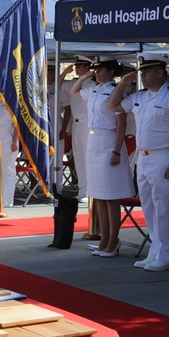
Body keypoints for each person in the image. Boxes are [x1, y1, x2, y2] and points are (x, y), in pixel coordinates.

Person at [110, 53, 169, 265]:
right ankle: (155, 251)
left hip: (164, 156)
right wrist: (123, 83)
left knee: (164, 209)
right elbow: (113, 105)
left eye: (147, 71)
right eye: (142, 71)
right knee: (149, 207)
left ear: (160, 73)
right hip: (143, 157)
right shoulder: (140, 96)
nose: (142, 74)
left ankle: (166, 256)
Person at [71, 56, 135, 255]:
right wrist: (85, 77)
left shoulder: (115, 90)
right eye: (96, 70)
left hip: (109, 142)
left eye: (101, 70)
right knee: (98, 194)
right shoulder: (94, 89)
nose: (97, 73)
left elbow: (121, 124)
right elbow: (74, 92)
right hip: (94, 142)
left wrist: (117, 150)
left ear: (111, 71)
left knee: (110, 197)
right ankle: (103, 240)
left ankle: (112, 240)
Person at [62, 56, 92, 204]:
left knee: (87, 159)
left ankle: (89, 191)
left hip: (88, 124)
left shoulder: (92, 84)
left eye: (79, 66)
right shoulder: (74, 83)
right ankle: (81, 191)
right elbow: (56, 85)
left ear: (86, 68)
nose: (76, 68)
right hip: (76, 124)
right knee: (79, 159)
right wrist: (64, 73)